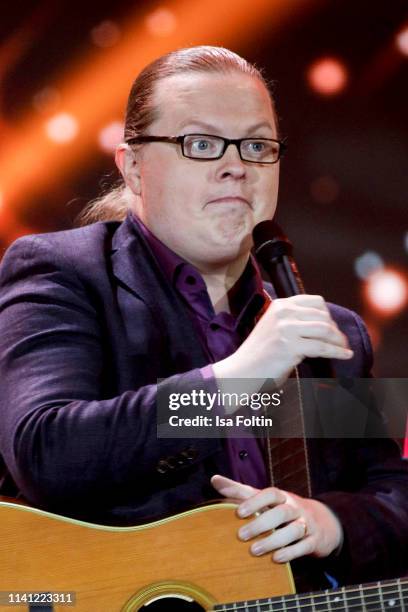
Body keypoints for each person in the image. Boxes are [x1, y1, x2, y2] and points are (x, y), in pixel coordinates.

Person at [0, 46, 407, 592]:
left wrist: (329, 523)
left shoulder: (328, 332)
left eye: (257, 145)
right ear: (134, 167)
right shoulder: (64, 274)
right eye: (201, 144)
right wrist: (240, 376)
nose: (236, 164)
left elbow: (390, 494)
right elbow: (47, 451)